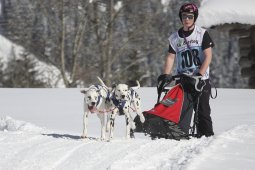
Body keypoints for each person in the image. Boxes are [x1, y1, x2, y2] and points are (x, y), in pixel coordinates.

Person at [158, 3, 214, 137]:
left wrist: (200, 75)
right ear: (181, 17)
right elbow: (171, 57)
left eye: (190, 16)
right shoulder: (175, 38)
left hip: (200, 80)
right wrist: (166, 75)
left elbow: (208, 56)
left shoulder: (202, 34)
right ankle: (180, 134)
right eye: (184, 16)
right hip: (183, 80)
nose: (187, 19)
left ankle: (207, 138)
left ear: (194, 18)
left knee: (202, 111)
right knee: (181, 109)